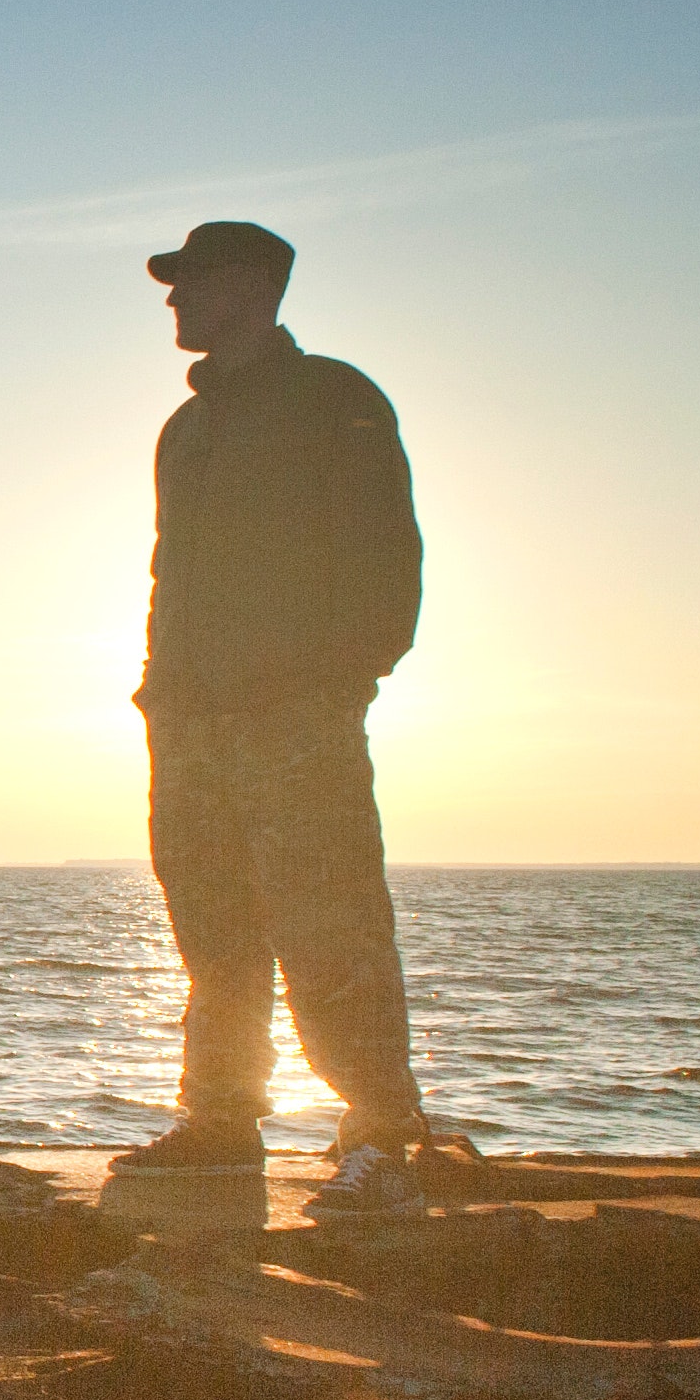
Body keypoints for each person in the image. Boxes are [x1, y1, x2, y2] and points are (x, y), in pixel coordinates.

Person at [105, 220, 450, 1207]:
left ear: (248, 286)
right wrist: (158, 690)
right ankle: (217, 1122)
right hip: (186, 716)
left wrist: (339, 682)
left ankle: (380, 1131)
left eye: (189, 283)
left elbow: (387, 552)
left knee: (328, 919)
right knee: (209, 924)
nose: (171, 301)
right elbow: (168, 572)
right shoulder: (188, 428)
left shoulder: (330, 400)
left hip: (289, 715)